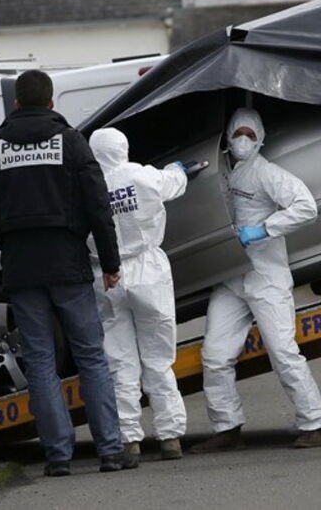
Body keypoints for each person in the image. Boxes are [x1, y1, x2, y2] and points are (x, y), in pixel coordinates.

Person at [0, 69, 137, 477]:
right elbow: (98, 205)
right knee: (92, 357)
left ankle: (58, 456)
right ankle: (110, 451)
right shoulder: (71, 143)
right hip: (68, 264)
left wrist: (7, 239)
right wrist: (111, 262)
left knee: (41, 363)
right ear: (51, 103)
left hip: (22, 269)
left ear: (16, 104)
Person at [191, 107, 321, 453]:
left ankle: (314, 423)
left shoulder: (268, 174)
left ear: (261, 138)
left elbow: (306, 206)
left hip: (266, 276)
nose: (243, 141)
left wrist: (265, 229)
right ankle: (227, 426)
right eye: (238, 133)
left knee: (283, 351)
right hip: (230, 278)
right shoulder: (223, 174)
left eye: (250, 135)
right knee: (215, 354)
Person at [88, 128, 188, 460]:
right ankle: (170, 436)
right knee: (158, 357)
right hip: (148, 270)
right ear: (123, 147)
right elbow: (175, 183)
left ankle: (129, 439)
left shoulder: (85, 185)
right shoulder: (141, 175)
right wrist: (179, 169)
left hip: (107, 274)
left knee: (120, 361)